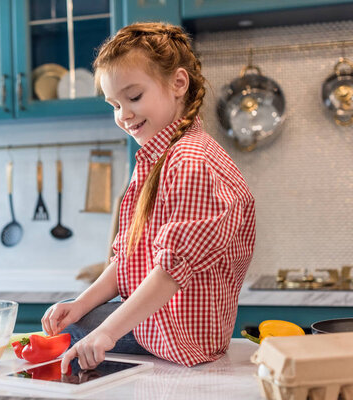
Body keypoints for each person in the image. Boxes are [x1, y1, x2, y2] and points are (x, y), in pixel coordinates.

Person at [41, 22, 256, 372]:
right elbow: (126, 260)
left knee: (74, 333)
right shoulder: (161, 156)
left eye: (134, 97)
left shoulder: (192, 162)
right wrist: (80, 304)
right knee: (71, 316)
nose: (123, 115)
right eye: (114, 104)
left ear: (178, 84)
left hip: (179, 336)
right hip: (159, 324)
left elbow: (170, 272)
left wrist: (106, 333)